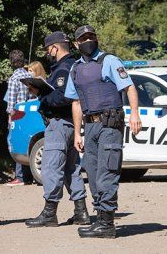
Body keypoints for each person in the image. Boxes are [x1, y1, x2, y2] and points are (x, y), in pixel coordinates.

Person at [64, 25, 141, 239]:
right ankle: (100, 219)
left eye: (91, 37)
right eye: (84, 38)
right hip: (90, 126)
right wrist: (77, 133)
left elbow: (129, 87)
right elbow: (77, 103)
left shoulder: (109, 61)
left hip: (110, 123)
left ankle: (107, 224)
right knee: (94, 172)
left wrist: (134, 113)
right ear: (76, 44)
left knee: (107, 170)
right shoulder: (76, 69)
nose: (88, 41)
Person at [25, 31, 90, 228]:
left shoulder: (63, 69)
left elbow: (63, 98)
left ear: (55, 47)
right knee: (72, 169)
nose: (48, 53)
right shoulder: (75, 65)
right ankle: (81, 212)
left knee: (51, 167)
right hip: (72, 124)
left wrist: (42, 94)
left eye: (48, 49)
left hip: (60, 123)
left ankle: (49, 213)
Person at [3, 50, 33, 186]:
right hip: (29, 114)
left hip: (17, 115)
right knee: (27, 143)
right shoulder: (30, 76)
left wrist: (10, 118)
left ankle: (19, 177)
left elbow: (11, 103)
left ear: (11, 63)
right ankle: (28, 176)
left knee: (16, 144)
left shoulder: (13, 79)